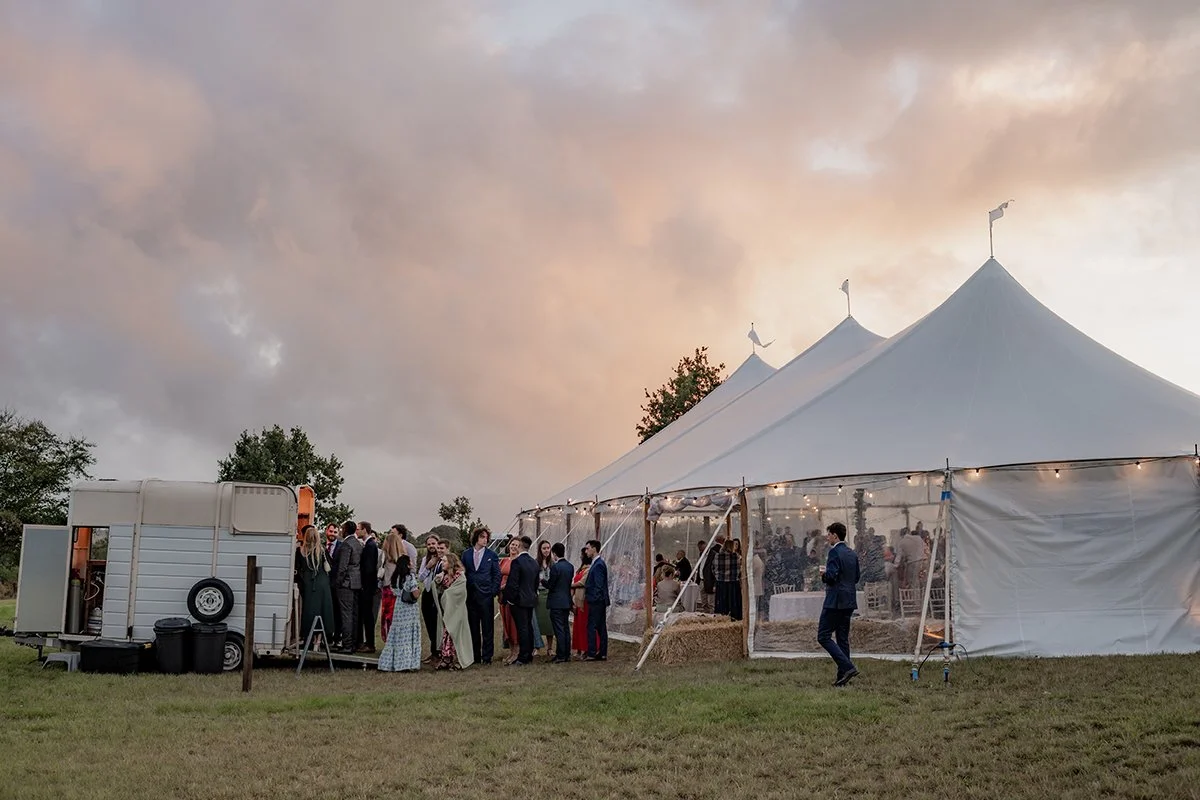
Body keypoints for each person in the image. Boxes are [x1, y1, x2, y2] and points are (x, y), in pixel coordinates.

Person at [817, 522, 860, 686]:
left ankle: (848, 667)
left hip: (835, 601)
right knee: (842, 638)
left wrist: (824, 574)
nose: (827, 537)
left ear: (835, 535)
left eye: (829, 534)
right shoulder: (851, 553)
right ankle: (842, 677)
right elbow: (856, 577)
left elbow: (832, 577)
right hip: (849, 600)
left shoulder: (834, 552)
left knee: (823, 636)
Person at [461, 526, 501, 665]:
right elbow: (463, 573)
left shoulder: (492, 555)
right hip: (470, 595)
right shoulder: (466, 554)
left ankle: (487, 656)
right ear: (476, 538)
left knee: (487, 627)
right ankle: (475, 656)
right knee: (473, 627)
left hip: (486, 595)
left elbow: (497, 574)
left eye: (486, 537)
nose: (485, 540)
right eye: (482, 537)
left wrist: (493, 591)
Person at [378, 555, 422, 672]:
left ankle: (390, 662)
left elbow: (393, 590)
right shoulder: (409, 577)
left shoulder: (395, 577)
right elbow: (415, 593)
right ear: (407, 564)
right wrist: (419, 590)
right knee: (408, 634)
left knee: (397, 634)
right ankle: (406, 663)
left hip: (398, 606)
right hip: (408, 608)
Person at [295, 525, 334, 651]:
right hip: (322, 583)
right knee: (323, 611)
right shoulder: (321, 550)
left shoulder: (300, 551)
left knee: (309, 611)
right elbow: (330, 566)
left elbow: (297, 569)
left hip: (308, 584)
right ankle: (318, 640)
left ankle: (309, 638)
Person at [503, 535, 539, 666]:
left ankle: (523, 656)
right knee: (528, 627)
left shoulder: (517, 562)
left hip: (519, 600)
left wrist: (510, 600)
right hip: (530, 599)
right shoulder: (534, 562)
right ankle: (528, 653)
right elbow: (535, 583)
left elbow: (513, 583)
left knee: (522, 628)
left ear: (520, 546)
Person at [434, 552, 474, 670]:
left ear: (451, 563)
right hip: (448, 610)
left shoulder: (460, 577)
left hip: (457, 610)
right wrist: (438, 581)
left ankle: (458, 660)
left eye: (445, 561)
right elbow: (437, 589)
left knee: (456, 633)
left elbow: (460, 592)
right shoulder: (444, 576)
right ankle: (446, 658)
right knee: (447, 633)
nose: (442, 563)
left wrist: (447, 594)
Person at [333, 521, 362, 652]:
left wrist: (337, 582)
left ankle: (347, 645)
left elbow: (342, 567)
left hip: (346, 583)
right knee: (354, 614)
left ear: (345, 530)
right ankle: (354, 643)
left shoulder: (346, 544)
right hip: (356, 582)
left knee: (346, 615)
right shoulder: (358, 544)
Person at [545, 542, 574, 663]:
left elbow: (551, 585)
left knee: (559, 629)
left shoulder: (555, 568)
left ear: (554, 553)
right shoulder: (570, 566)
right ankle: (566, 653)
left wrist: (543, 581)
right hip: (566, 601)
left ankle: (561, 654)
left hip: (556, 602)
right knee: (565, 628)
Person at [583, 539, 609, 661]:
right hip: (599, 600)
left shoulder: (598, 564)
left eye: (588, 548)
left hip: (596, 601)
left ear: (594, 549)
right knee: (600, 626)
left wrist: (594, 598)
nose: (586, 551)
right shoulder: (597, 563)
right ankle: (602, 652)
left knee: (592, 626)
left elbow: (598, 584)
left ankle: (592, 652)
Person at [417, 533, 442, 659]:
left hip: (438, 593)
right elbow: (420, 577)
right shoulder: (425, 560)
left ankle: (438, 651)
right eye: (429, 544)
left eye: (433, 543)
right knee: (428, 622)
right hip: (427, 592)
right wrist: (428, 566)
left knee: (436, 622)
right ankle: (433, 651)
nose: (431, 546)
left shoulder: (443, 559)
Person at [356, 521, 380, 653]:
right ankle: (367, 642)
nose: (357, 531)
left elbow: (369, 568)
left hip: (367, 586)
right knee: (366, 614)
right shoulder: (369, 544)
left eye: (358, 529)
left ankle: (370, 644)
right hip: (368, 585)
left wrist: (365, 585)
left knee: (367, 615)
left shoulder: (370, 545)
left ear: (365, 530)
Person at [498, 538, 521, 664]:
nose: (513, 547)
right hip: (502, 597)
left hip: (513, 596)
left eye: (516, 545)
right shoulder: (503, 560)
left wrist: (506, 586)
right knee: (506, 624)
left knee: (513, 624)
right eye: (512, 544)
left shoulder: (519, 561)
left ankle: (517, 652)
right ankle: (511, 651)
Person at [379, 531, 404, 642]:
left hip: (388, 588)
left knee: (387, 616)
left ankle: (388, 638)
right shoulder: (403, 558)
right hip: (399, 590)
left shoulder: (384, 556)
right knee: (396, 617)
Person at [571, 548, 595, 658]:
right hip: (578, 600)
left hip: (584, 600)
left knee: (584, 625)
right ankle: (579, 648)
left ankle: (586, 649)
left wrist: (570, 585)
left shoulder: (589, 569)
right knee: (578, 626)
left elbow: (582, 582)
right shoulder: (580, 569)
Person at [535, 540, 555, 659]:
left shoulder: (553, 563)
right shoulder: (535, 563)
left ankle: (550, 648)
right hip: (538, 593)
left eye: (548, 548)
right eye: (544, 548)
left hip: (549, 594)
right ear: (540, 550)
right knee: (537, 622)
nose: (546, 550)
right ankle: (536, 647)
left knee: (549, 622)